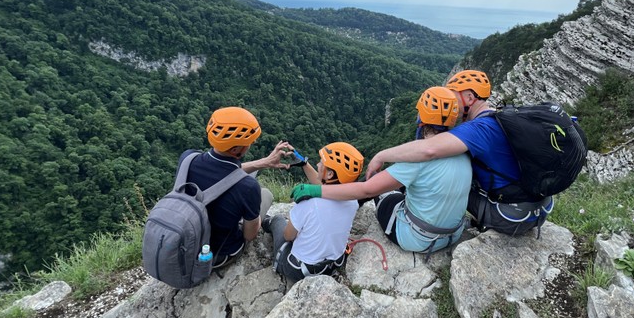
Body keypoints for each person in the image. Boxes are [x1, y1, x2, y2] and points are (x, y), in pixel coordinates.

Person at [366, 70, 553, 237]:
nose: (451, 104)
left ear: (470, 97)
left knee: (446, 183)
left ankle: (429, 224)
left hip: (510, 218)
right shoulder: (498, 117)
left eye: (453, 97)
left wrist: (380, 156)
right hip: (536, 209)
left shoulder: (478, 128)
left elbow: (429, 149)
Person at [290, 87, 472, 257]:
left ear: (421, 117)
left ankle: (348, 204)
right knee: (401, 186)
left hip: (417, 239)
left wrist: (316, 190)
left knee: (379, 184)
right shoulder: (462, 149)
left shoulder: (416, 161)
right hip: (452, 234)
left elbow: (367, 189)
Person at [178, 106, 288, 270]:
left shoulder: (188, 159)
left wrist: (264, 162)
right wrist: (252, 215)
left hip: (186, 243)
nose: (251, 144)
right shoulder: (248, 187)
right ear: (236, 149)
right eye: (249, 142)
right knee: (265, 194)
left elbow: (223, 172)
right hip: (219, 254)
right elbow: (250, 235)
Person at [264, 142, 363, 282]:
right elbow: (327, 189)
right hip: (332, 265)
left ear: (330, 174)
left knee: (278, 220)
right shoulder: (352, 201)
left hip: (300, 270)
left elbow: (288, 236)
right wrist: (304, 164)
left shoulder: (309, 203)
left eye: (322, 163)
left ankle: (264, 221)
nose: (317, 164)